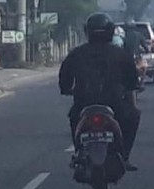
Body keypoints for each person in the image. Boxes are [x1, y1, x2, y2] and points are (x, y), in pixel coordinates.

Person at [59, 13, 141, 171]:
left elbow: (65, 77)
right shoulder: (121, 54)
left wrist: (66, 89)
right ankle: (124, 156)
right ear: (110, 31)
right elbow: (132, 81)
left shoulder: (77, 53)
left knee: (74, 118)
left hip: (84, 103)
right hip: (115, 103)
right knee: (133, 117)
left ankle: (80, 152)